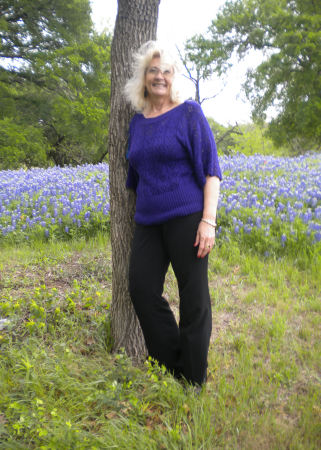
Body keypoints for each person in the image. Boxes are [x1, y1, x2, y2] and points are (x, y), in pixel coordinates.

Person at [124, 41, 222, 387]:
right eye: (153, 70)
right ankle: (172, 365)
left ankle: (193, 381)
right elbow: (134, 176)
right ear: (143, 77)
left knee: (194, 298)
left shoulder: (189, 113)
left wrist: (208, 221)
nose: (160, 77)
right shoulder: (136, 123)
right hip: (149, 222)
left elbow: (212, 171)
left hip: (188, 217)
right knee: (141, 288)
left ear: (173, 77)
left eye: (166, 71)